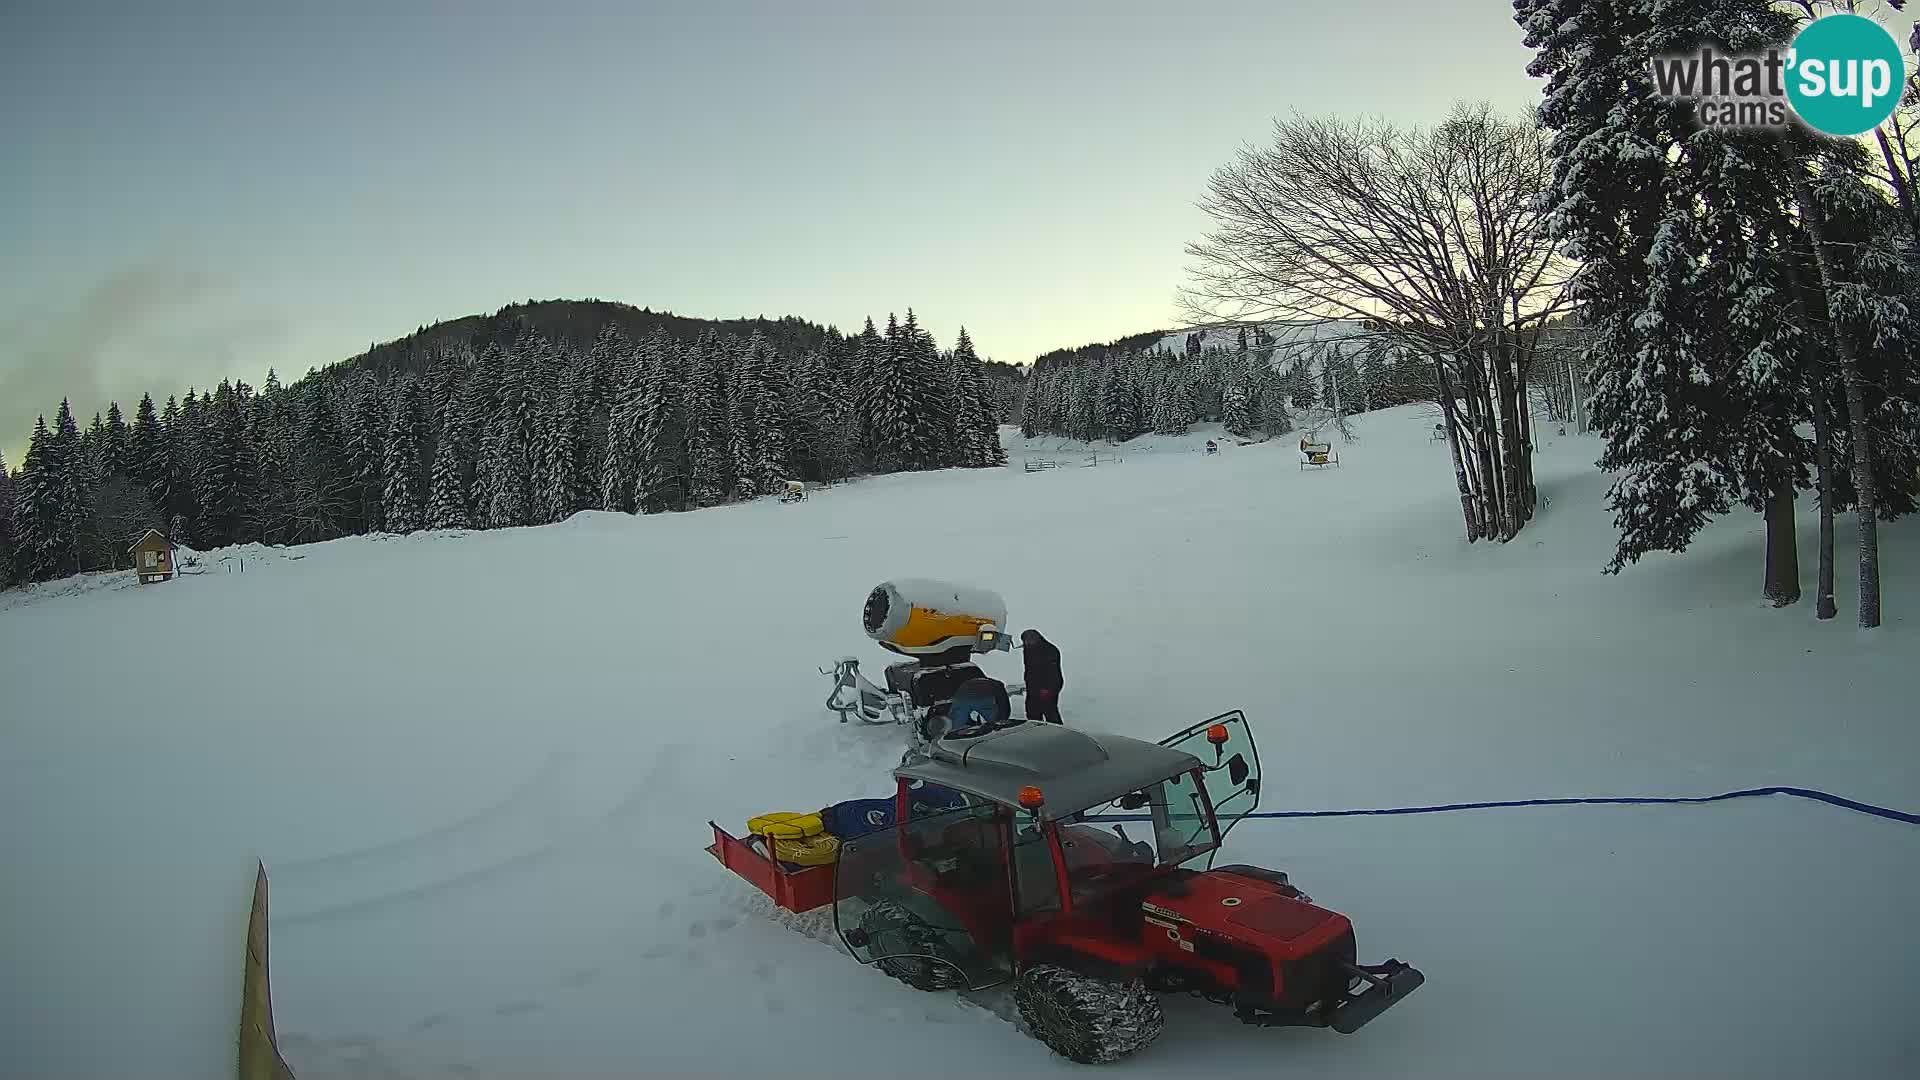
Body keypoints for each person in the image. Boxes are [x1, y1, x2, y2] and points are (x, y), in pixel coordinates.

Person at [1020, 629, 1064, 724]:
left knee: (1049, 711)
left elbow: (1053, 672)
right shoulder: (1028, 650)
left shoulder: (1049, 650)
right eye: (1025, 640)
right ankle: (1036, 732)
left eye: (1030, 640)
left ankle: (1056, 732)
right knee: (1032, 711)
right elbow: (1030, 669)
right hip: (1033, 686)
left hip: (1049, 686)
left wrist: (1047, 688)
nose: (1027, 642)